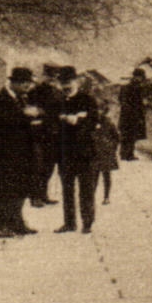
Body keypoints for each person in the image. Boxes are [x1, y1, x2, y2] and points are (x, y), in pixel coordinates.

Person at [0, 67, 42, 237]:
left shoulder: (20, 98)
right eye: (24, 83)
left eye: (29, 83)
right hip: (3, 153)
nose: (28, 87)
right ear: (13, 82)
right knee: (2, 190)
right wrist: (27, 116)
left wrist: (32, 116)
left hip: (20, 151)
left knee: (19, 188)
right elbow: (6, 123)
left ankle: (16, 222)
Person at [54, 68, 101, 234]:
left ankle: (87, 222)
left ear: (76, 82)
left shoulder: (88, 99)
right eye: (62, 83)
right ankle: (69, 223)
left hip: (85, 152)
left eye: (68, 82)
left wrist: (77, 121)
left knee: (86, 190)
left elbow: (94, 121)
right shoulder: (58, 101)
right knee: (67, 190)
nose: (65, 86)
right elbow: (53, 124)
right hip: (65, 153)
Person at [26, 63, 65, 206]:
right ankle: (35, 196)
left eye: (54, 77)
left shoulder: (58, 92)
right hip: (38, 133)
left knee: (49, 166)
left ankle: (43, 194)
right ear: (44, 75)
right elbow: (29, 110)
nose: (51, 79)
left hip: (54, 133)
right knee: (38, 165)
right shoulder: (34, 91)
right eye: (49, 76)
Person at [91, 95, 121, 205]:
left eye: (101, 110)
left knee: (106, 176)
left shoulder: (109, 123)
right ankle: (91, 197)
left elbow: (116, 137)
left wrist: (111, 148)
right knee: (93, 176)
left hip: (106, 153)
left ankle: (106, 196)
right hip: (94, 152)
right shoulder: (91, 123)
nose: (99, 112)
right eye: (97, 109)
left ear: (105, 111)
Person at [117, 66, 149, 161]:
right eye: (141, 77)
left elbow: (120, 100)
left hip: (125, 115)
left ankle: (123, 154)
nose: (141, 79)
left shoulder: (125, 87)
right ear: (137, 77)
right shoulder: (137, 88)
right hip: (133, 115)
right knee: (131, 136)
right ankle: (129, 155)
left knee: (125, 135)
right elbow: (139, 102)